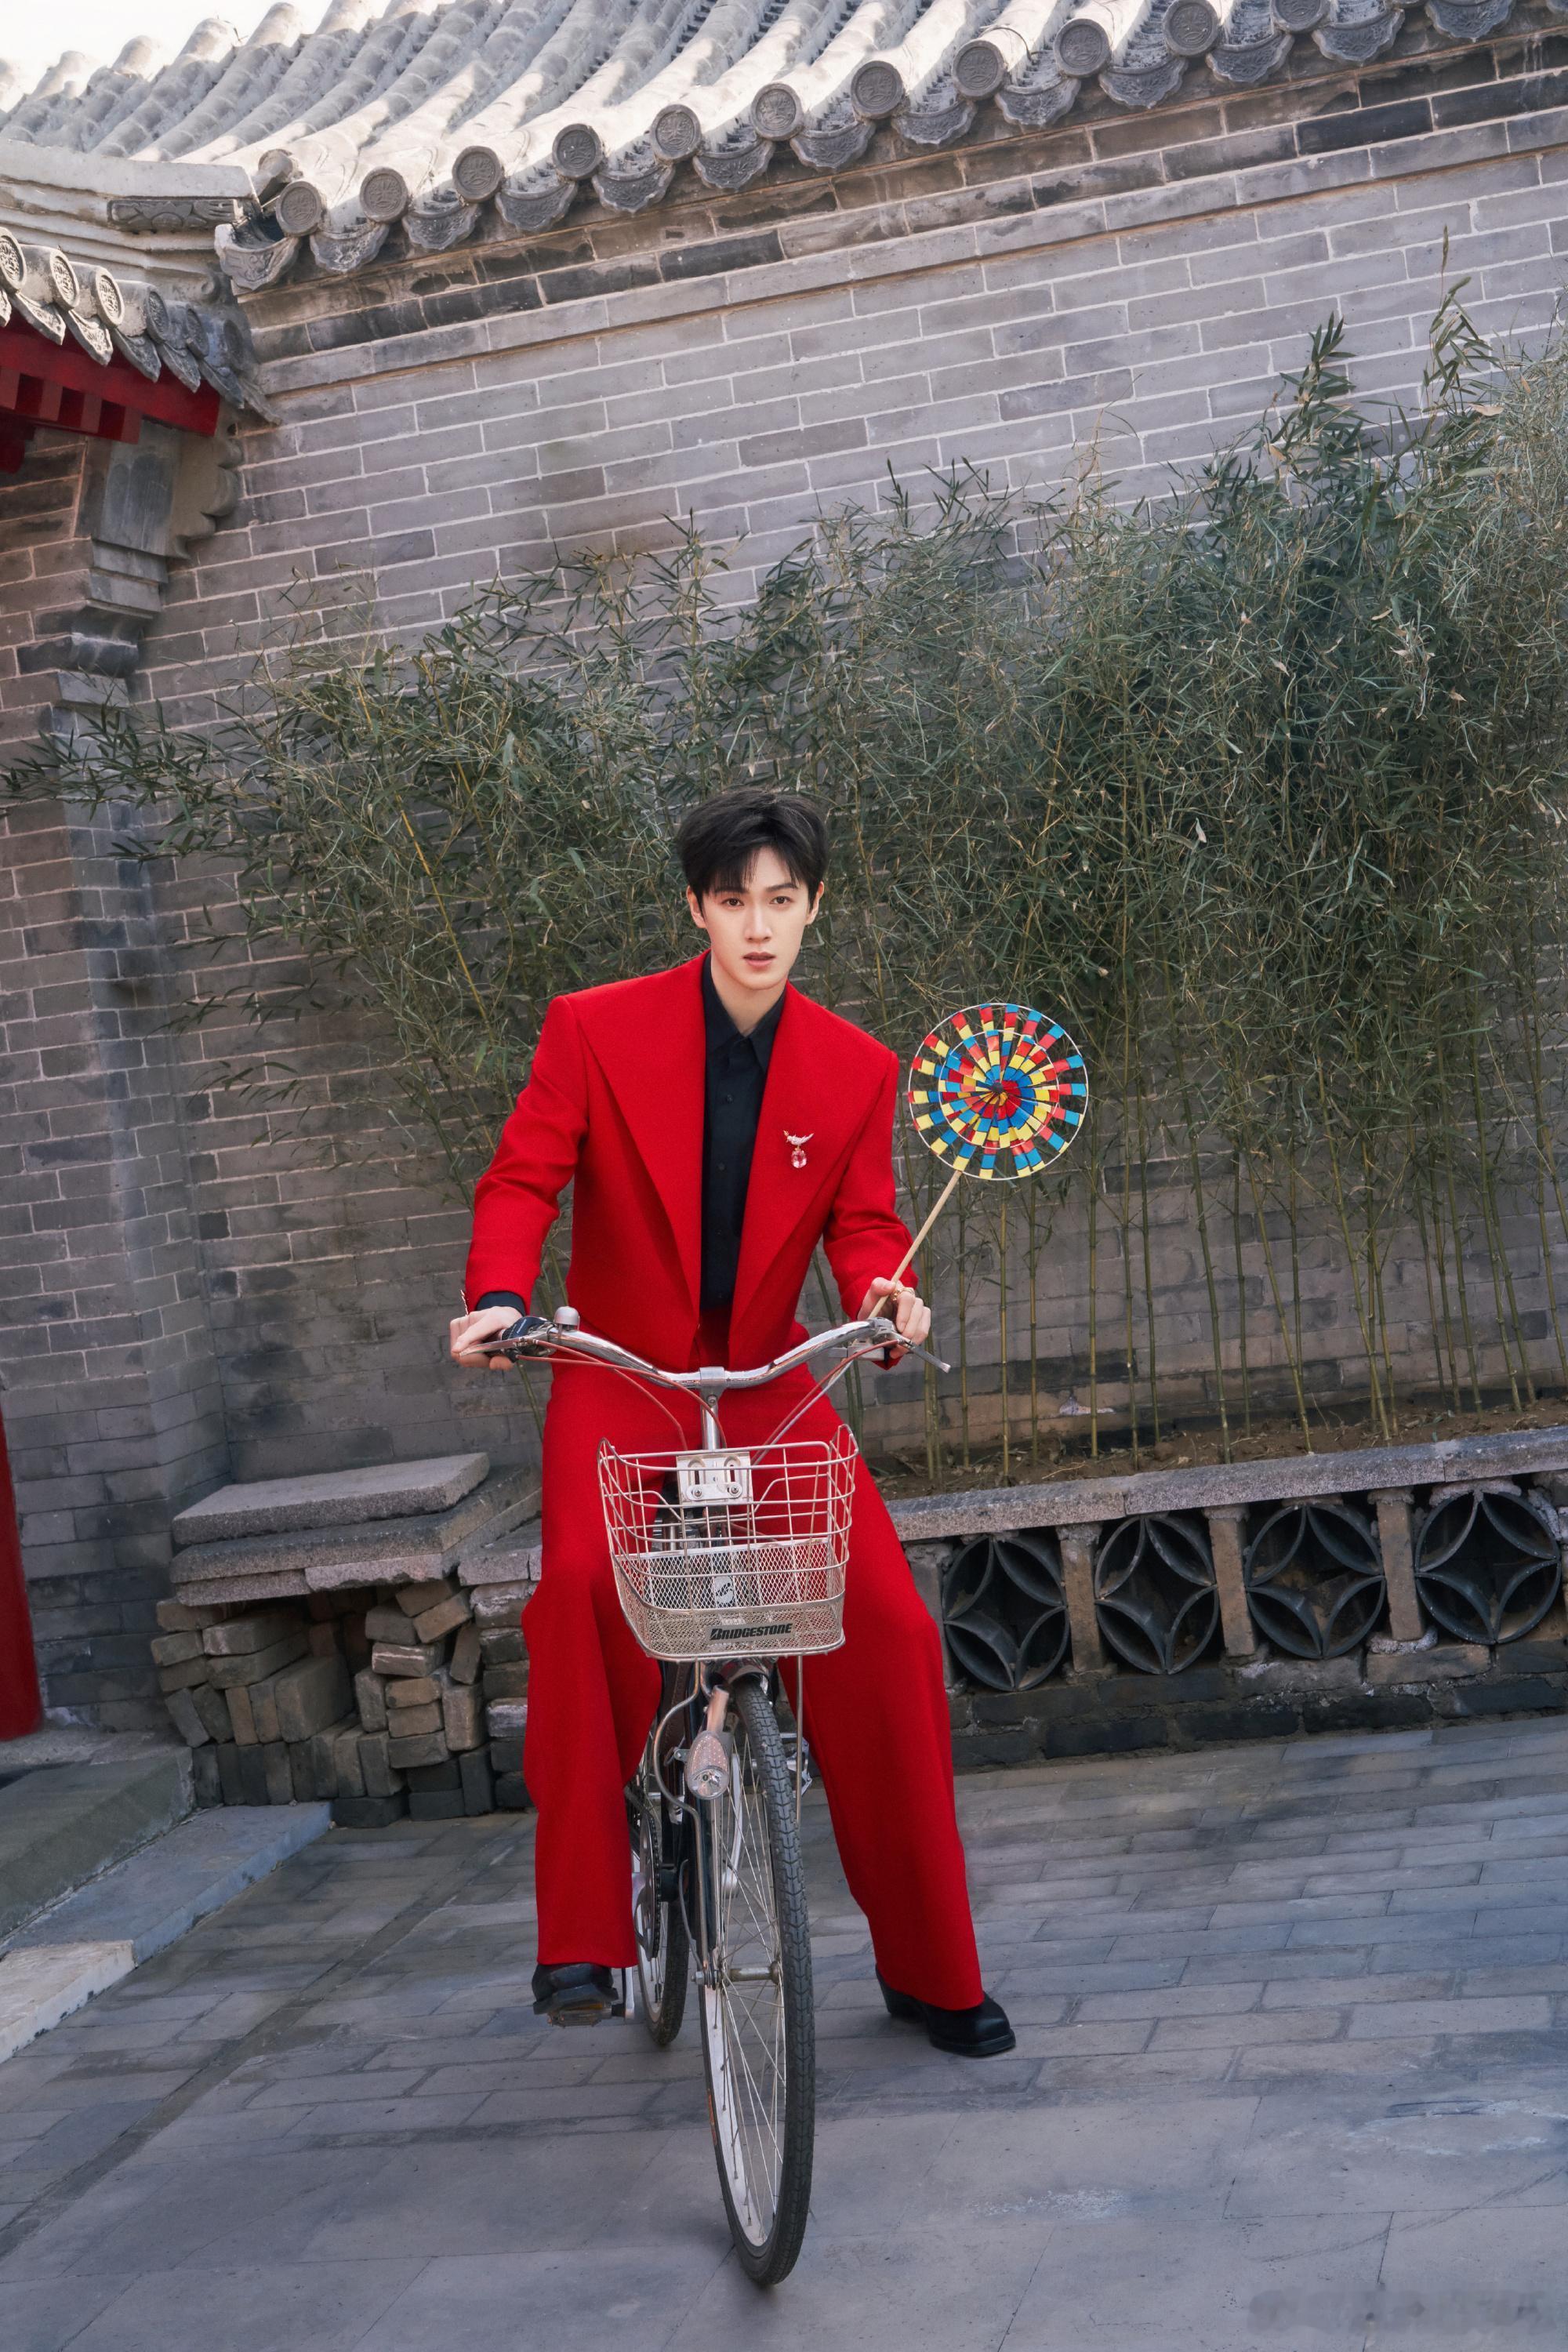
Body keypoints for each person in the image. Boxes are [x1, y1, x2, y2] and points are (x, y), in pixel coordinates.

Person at [448, 789, 1013, 2056]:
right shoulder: (594, 1028)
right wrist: (501, 1297)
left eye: (782, 901)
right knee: (578, 1590)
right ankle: (583, 1937)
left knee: (888, 1626)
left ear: (815, 908)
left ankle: (933, 1967)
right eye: (733, 900)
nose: (759, 927)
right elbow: (523, 1177)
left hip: (768, 1384)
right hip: (620, 1375)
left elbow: (867, 1224)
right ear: (696, 908)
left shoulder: (856, 1067)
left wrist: (884, 1294)